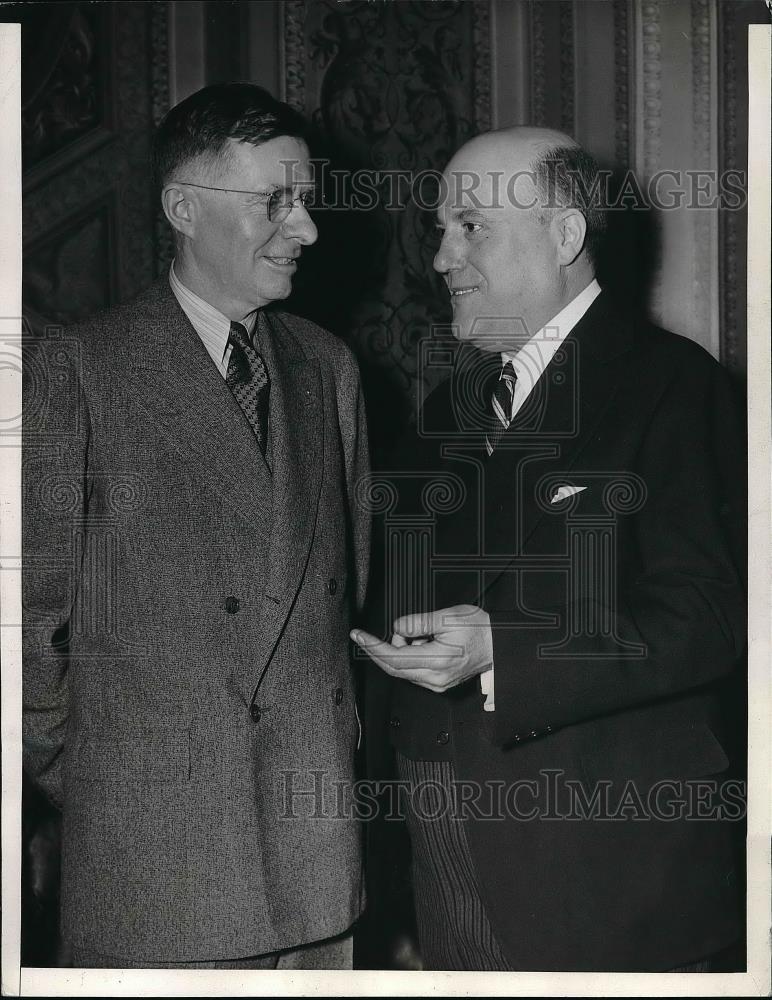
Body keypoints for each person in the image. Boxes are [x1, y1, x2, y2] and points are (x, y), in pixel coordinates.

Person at [352, 127, 746, 972]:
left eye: (470, 227)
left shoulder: (676, 386)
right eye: (439, 231)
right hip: (445, 858)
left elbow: (712, 615)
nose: (441, 258)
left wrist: (505, 652)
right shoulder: (446, 411)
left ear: (565, 237)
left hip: (607, 872)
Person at [23, 83, 370, 969]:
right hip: (155, 866)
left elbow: (343, 600)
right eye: (274, 203)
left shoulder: (327, 369)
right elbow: (27, 621)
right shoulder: (80, 365)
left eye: (306, 200)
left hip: (319, 863)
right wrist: (108, 777)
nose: (306, 229)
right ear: (184, 207)